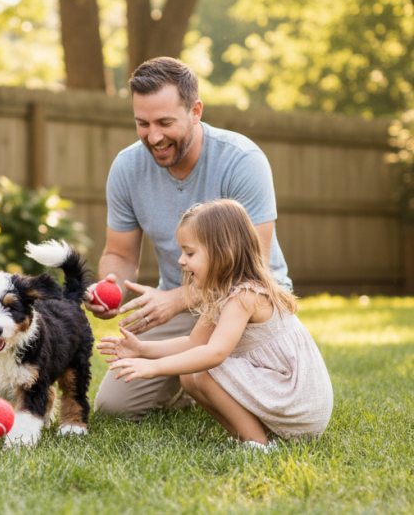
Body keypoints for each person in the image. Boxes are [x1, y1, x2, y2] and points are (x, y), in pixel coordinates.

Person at [86, 56, 292, 420]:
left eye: (165, 123)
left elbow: (251, 267)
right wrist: (110, 287)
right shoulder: (127, 168)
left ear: (195, 111)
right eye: (142, 123)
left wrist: (175, 299)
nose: (153, 137)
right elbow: (120, 253)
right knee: (113, 409)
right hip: (183, 306)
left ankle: (201, 377)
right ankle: (187, 383)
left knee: (236, 390)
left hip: (251, 304)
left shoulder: (242, 160)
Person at [99, 199, 333, 449]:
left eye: (190, 253)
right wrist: (142, 350)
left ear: (222, 253)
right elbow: (193, 343)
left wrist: (154, 368)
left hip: (299, 404)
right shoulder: (220, 292)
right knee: (189, 375)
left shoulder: (245, 295)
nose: (181, 260)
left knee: (204, 370)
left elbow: (215, 353)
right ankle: (248, 437)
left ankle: (257, 444)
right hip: (280, 393)